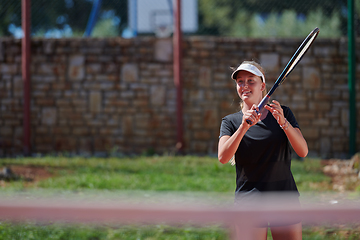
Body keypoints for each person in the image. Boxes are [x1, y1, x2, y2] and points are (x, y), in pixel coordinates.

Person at [218, 60, 308, 240]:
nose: (245, 85)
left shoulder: (283, 113)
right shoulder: (231, 122)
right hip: (249, 202)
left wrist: (284, 123)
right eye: (240, 81)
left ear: (262, 85)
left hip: (284, 198)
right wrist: (244, 127)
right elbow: (223, 157)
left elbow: (303, 151)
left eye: (251, 80)